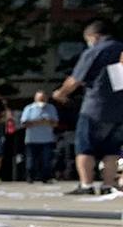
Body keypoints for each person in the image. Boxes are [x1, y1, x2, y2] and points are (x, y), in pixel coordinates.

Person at [52, 18, 122, 196]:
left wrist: (61, 93)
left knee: (85, 147)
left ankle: (86, 185)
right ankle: (107, 185)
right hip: (118, 109)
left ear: (94, 36)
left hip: (95, 106)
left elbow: (76, 79)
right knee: (111, 150)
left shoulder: (95, 51)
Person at [19, 92, 60, 183]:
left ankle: (46, 177)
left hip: (47, 139)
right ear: (35, 99)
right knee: (31, 161)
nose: (42, 100)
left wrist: (47, 122)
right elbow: (23, 123)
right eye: (40, 98)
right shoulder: (29, 108)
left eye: (43, 98)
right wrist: (37, 122)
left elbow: (56, 123)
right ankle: (30, 177)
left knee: (46, 160)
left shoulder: (51, 108)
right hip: (32, 139)